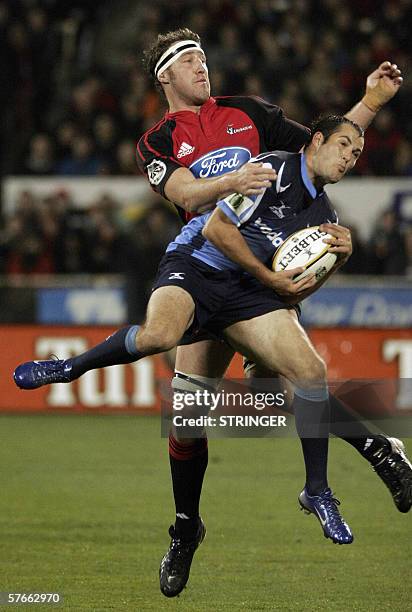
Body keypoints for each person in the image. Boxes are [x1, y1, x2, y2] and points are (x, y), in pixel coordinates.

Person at [14, 30, 410, 595]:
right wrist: (235, 179)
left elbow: (323, 150)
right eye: (191, 61)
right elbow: (189, 196)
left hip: (252, 273)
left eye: (204, 57)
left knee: (298, 385)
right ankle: (185, 528)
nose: (203, 67)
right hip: (203, 263)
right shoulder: (158, 138)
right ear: (165, 77)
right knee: (187, 414)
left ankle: (353, 464)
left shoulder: (248, 113)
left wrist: (370, 103)